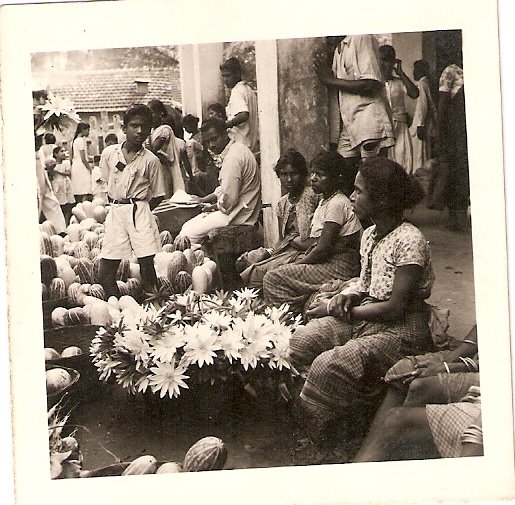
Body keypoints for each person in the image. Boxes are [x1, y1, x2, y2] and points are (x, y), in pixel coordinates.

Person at [289, 157, 435, 451]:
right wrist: (348, 295)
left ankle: (338, 438)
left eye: (359, 190)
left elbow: (395, 307)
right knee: (301, 341)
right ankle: (333, 415)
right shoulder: (369, 234)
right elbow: (365, 281)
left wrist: (345, 310)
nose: (352, 196)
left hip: (401, 329)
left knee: (330, 364)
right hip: (368, 313)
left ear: (381, 199)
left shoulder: (410, 239)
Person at [354, 325, 479, 462]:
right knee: (404, 370)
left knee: (418, 386)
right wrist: (445, 362)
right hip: (476, 361)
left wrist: (452, 367)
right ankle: (372, 450)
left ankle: (391, 450)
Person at [262, 151, 361, 314]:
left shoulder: (337, 204)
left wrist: (298, 265)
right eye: (313, 173)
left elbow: (323, 249)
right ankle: (293, 311)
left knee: (274, 278)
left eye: (320, 174)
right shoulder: (325, 200)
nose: (313, 178)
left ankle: (286, 319)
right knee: (277, 271)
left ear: (337, 178)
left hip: (340, 265)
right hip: (330, 260)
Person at [98, 104, 165, 299]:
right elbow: (105, 180)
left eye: (145, 127)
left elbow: (159, 194)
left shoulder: (151, 160)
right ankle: (122, 308)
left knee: (146, 265)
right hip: (116, 211)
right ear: (124, 128)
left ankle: (153, 309)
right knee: (106, 272)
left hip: (139, 211)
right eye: (134, 126)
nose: (140, 131)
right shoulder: (110, 154)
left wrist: (140, 209)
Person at [314, 35, 394, 183]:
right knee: (341, 177)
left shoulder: (361, 38)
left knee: (372, 182)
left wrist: (329, 80)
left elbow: (371, 84)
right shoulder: (339, 49)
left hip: (368, 120)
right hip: (350, 126)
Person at [238, 149, 319, 290]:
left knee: (259, 273)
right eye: (284, 174)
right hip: (288, 249)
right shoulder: (282, 204)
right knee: (246, 262)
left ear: (302, 174)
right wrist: (270, 252)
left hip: (306, 250)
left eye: (294, 174)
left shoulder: (313, 196)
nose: (289, 179)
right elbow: (283, 237)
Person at [179, 117, 261, 246]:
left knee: (187, 234)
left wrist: (212, 207)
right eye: (207, 142)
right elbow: (225, 189)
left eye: (214, 139)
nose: (211, 145)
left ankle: (199, 261)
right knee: (188, 226)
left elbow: (229, 202)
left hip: (238, 217)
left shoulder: (233, 158)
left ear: (225, 134)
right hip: (238, 211)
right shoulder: (237, 149)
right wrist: (204, 201)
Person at [438, 60, 469, 231]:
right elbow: (442, 106)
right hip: (456, 131)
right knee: (456, 172)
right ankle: (456, 218)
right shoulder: (452, 71)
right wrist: (439, 134)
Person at [379, 45, 419, 174]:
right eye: (381, 60)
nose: (383, 64)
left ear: (393, 62)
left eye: (387, 60)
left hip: (400, 129)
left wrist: (401, 73)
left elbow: (414, 93)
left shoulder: (399, 82)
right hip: (382, 130)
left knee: (402, 163)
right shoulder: (374, 84)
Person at [220, 57, 259, 152]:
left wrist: (225, 125)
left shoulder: (237, 91)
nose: (225, 80)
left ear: (237, 73)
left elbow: (244, 114)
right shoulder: (248, 90)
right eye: (223, 76)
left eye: (228, 76)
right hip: (249, 146)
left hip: (240, 146)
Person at [147, 99, 184, 198]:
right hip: (156, 168)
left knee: (167, 194)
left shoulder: (165, 130)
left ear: (161, 113)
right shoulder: (153, 131)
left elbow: (153, 150)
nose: (150, 117)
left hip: (164, 168)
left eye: (152, 113)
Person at [410, 60, 437, 173]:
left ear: (421, 71)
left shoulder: (422, 84)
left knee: (421, 156)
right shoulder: (426, 83)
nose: (413, 72)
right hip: (426, 124)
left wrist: (420, 125)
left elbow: (423, 105)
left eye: (415, 70)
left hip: (423, 126)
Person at [51, 146, 75, 224]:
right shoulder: (52, 163)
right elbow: (50, 174)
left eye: (64, 151)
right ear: (56, 154)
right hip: (57, 185)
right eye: (61, 151)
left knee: (67, 204)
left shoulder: (66, 163)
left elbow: (68, 173)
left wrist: (58, 172)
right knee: (59, 204)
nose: (63, 153)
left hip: (65, 184)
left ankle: (66, 222)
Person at [71, 122, 92, 202]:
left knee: (79, 189)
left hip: (76, 165)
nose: (88, 132)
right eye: (87, 130)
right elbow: (83, 158)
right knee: (85, 189)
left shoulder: (75, 140)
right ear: (83, 130)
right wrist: (89, 168)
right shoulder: (80, 141)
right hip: (81, 166)